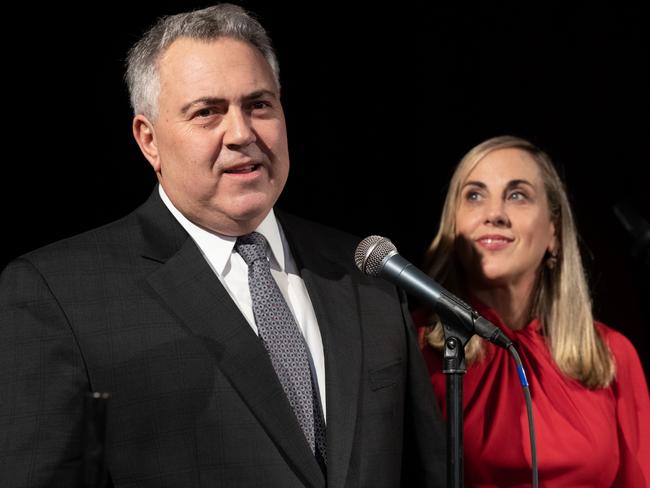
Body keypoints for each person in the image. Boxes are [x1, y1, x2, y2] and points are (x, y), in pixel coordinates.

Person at [0, 4, 446, 487]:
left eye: (259, 105)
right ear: (148, 140)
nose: (241, 133)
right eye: (207, 112)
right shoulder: (59, 293)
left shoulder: (367, 271)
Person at [416, 135, 650, 487]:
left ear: (553, 232)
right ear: (453, 225)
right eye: (474, 195)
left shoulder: (611, 353)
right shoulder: (413, 347)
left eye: (517, 195)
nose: (494, 214)